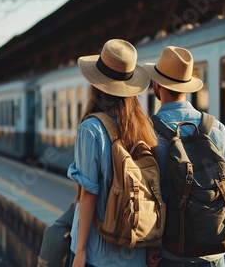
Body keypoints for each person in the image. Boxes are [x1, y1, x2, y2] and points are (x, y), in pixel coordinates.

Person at [66, 39, 161, 267]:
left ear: (95, 84)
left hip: (99, 254)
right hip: (136, 251)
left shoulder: (91, 129)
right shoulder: (143, 127)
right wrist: (151, 245)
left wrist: (80, 251)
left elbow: (89, 194)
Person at [143, 46, 225, 267]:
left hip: (171, 253)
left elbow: (147, 201)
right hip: (214, 254)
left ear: (157, 85)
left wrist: (150, 248)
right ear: (186, 88)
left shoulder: (148, 132)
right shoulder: (215, 127)